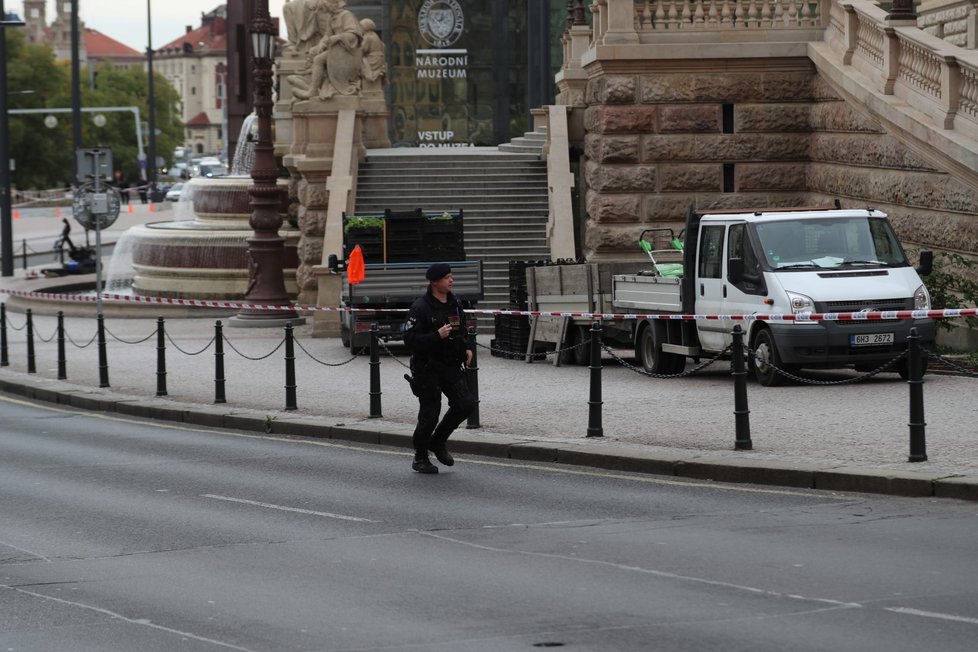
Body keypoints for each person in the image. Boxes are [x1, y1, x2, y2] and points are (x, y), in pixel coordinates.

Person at [403, 262, 477, 474]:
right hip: (427, 368)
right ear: (435, 282)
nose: (451, 280)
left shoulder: (454, 303)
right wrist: (436, 336)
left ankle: (438, 441)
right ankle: (420, 457)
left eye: (451, 277)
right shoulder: (421, 307)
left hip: (450, 364)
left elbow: (462, 329)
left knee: (466, 404)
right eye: (447, 278)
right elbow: (409, 338)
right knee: (430, 414)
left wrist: (468, 347)